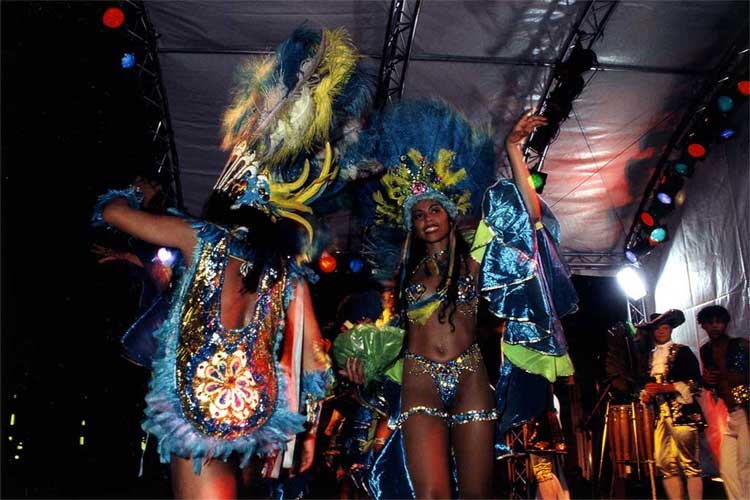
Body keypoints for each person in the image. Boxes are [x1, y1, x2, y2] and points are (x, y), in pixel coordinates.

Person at [92, 26, 369, 499]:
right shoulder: (288, 273)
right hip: (255, 414)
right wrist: (303, 434)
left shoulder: (198, 237)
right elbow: (314, 361)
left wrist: (134, 195)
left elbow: (111, 214)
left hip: (198, 404)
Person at [342, 100, 578, 498]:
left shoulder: (473, 260)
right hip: (419, 378)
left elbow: (527, 216)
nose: (427, 219)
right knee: (431, 495)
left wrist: (513, 148)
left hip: (470, 374)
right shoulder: (404, 273)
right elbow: (391, 340)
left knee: (476, 494)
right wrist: (367, 364)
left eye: (435, 209)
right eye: (419, 215)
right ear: (411, 225)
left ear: (451, 215)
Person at [640, 309, 705, 500]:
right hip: (661, 416)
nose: (661, 331)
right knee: (664, 463)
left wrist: (667, 388)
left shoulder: (683, 351)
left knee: (690, 464)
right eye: (657, 329)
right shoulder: (649, 358)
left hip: (683, 413)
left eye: (665, 327)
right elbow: (647, 385)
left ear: (671, 329)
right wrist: (647, 396)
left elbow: (695, 383)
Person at [698, 304, 749, 499]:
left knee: (745, 465)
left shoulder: (741, 345)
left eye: (719, 322)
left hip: (746, 410)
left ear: (726, 323)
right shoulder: (706, 350)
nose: (715, 326)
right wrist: (706, 380)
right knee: (727, 469)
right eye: (710, 323)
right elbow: (710, 383)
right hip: (731, 414)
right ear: (703, 325)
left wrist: (729, 376)